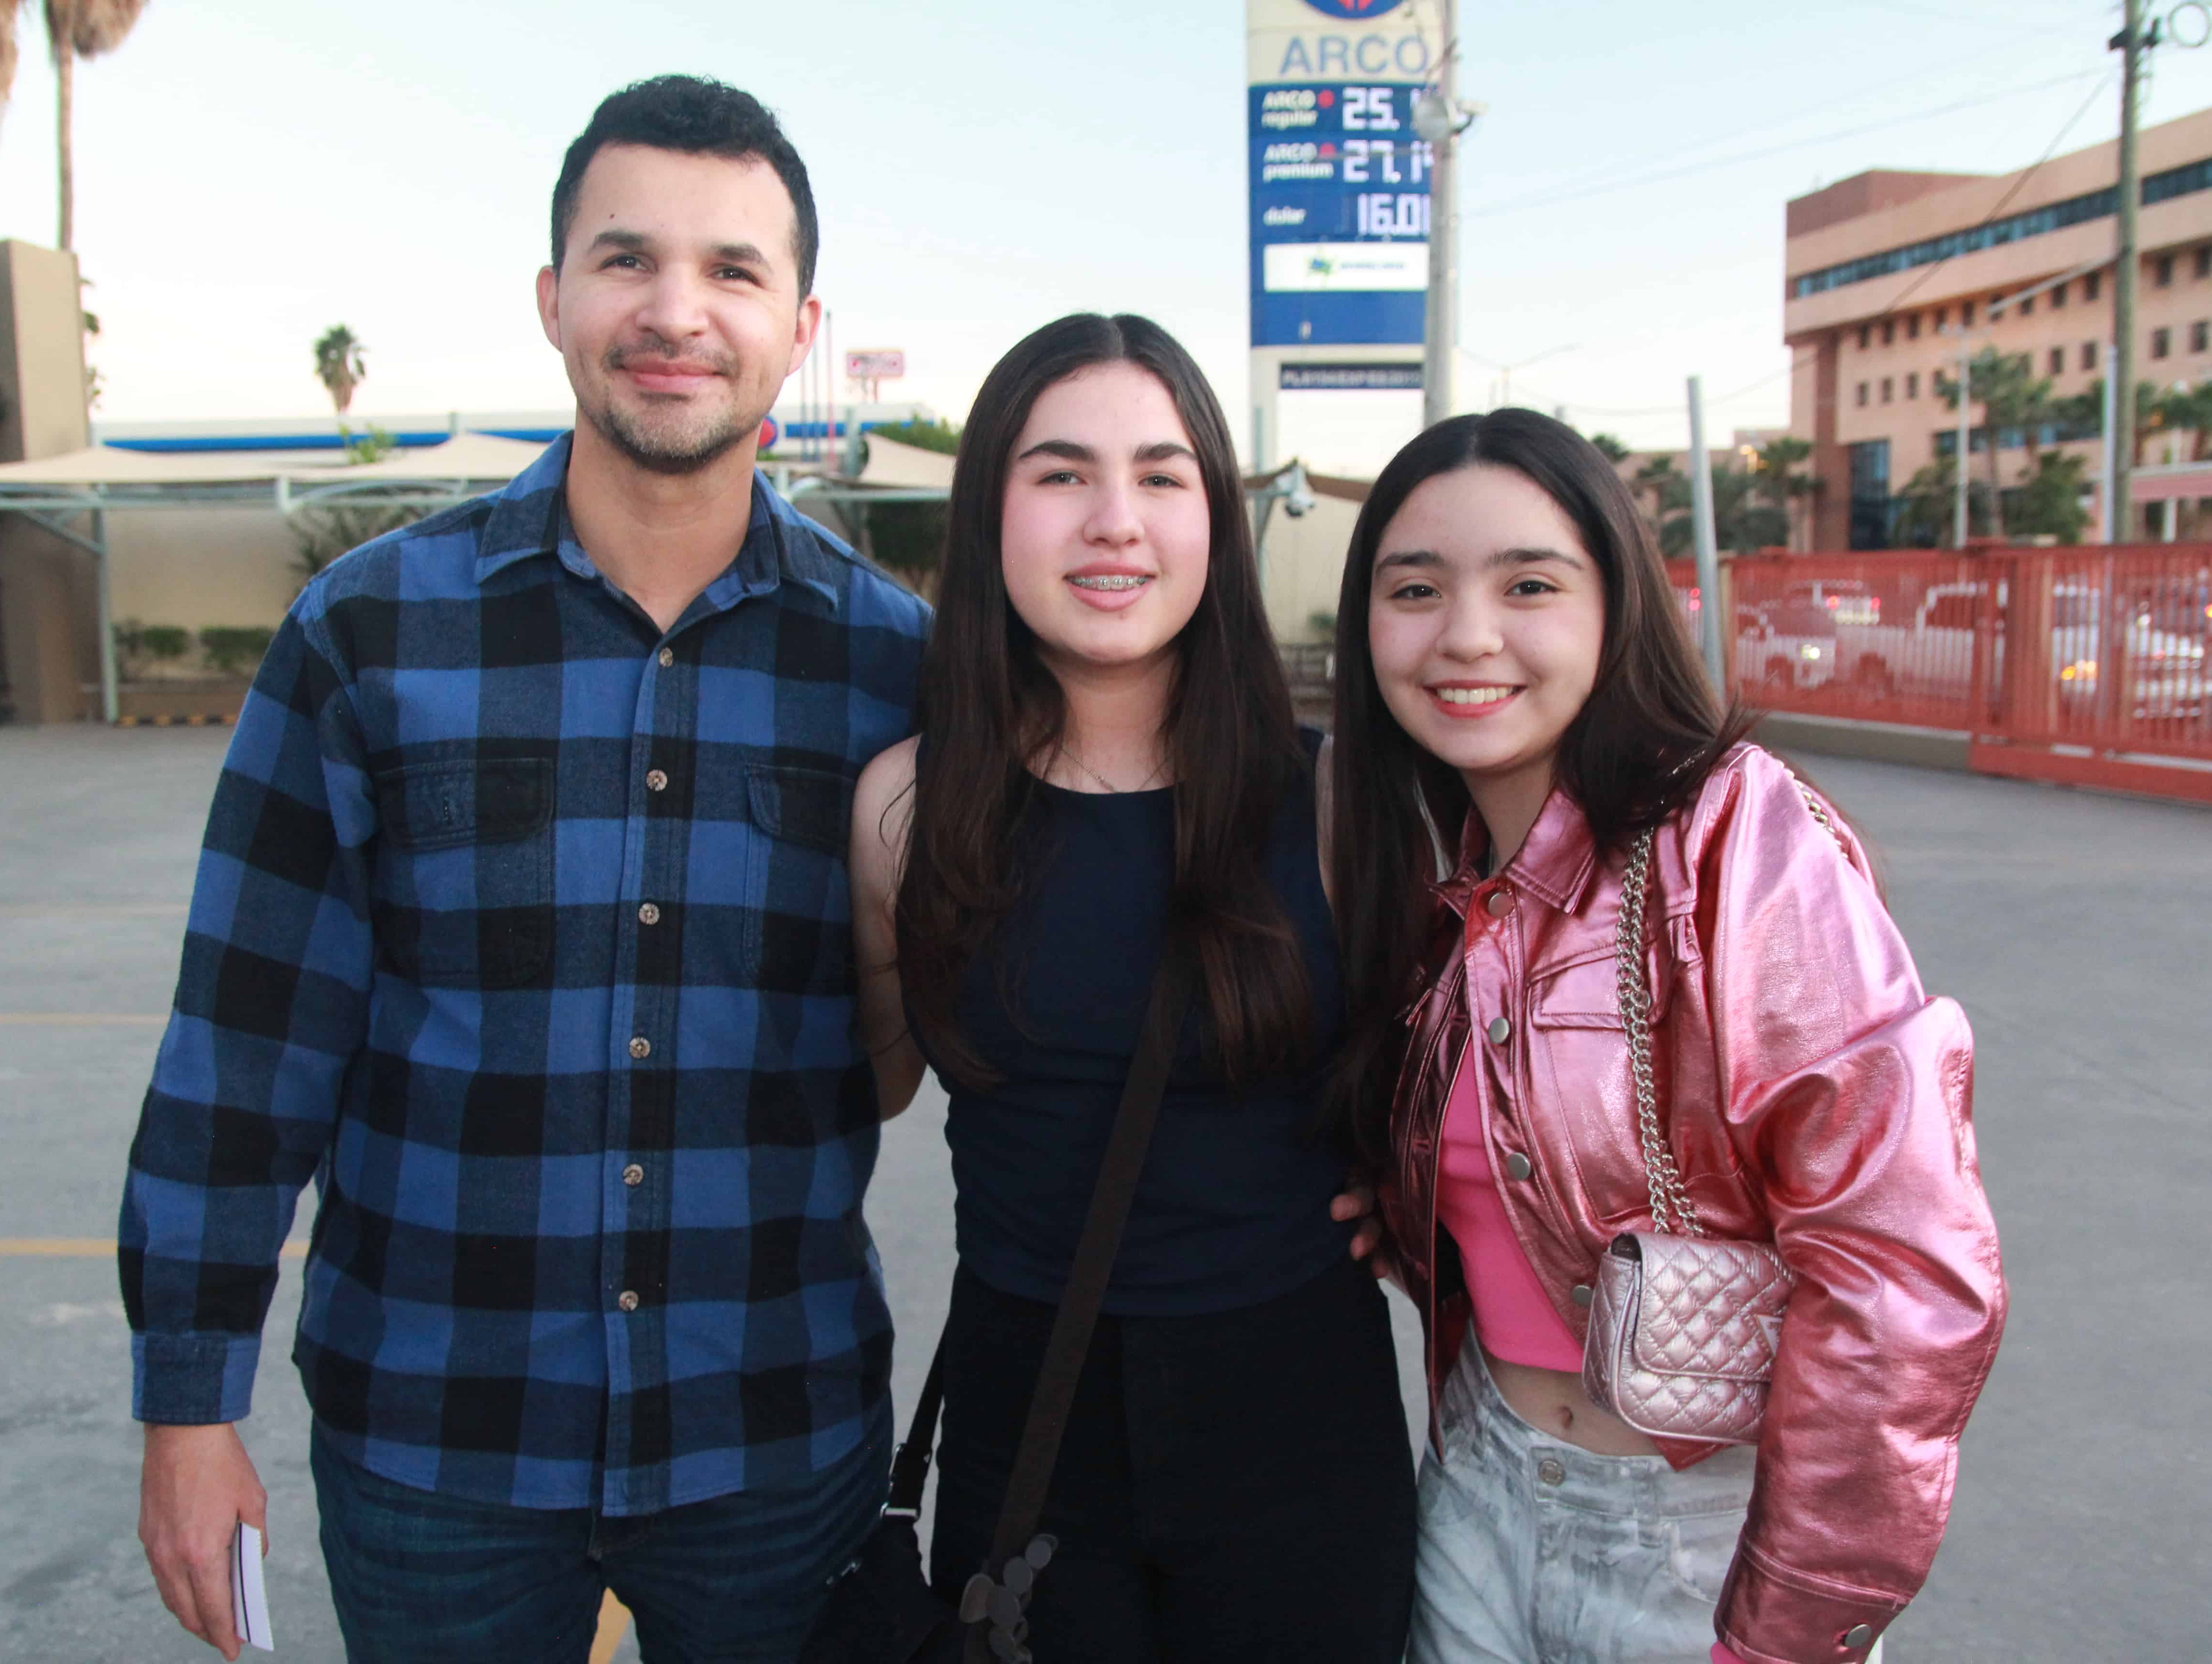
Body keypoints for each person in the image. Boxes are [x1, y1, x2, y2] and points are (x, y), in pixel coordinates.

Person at [119, 76, 930, 1664]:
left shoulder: (895, 667)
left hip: (770, 1433)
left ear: (798, 323)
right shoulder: (367, 632)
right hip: (436, 1444)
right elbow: (244, 1045)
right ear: (554, 296)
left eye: (733, 271)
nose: (675, 311)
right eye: (626, 259)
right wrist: (186, 1408)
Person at [1325, 410, 2005, 1664]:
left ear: (1616, 605)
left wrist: (1787, 1630)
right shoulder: (1445, 880)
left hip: (1695, 1536)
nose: (1466, 634)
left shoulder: (1738, 837)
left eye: (1529, 583)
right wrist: (1417, 1197)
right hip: (1476, 1489)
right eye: (1414, 589)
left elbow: (1904, 1278)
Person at [844, 312, 1418, 1661]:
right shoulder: (908, 811)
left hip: (1302, 1438)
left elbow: (1458, 1075)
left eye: (1162, 477)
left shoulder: (1339, 801)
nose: (1115, 520)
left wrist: (1422, 1196)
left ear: (1215, 519)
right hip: (1029, 1433)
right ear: (990, 511)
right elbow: (871, 1081)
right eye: (1060, 474)